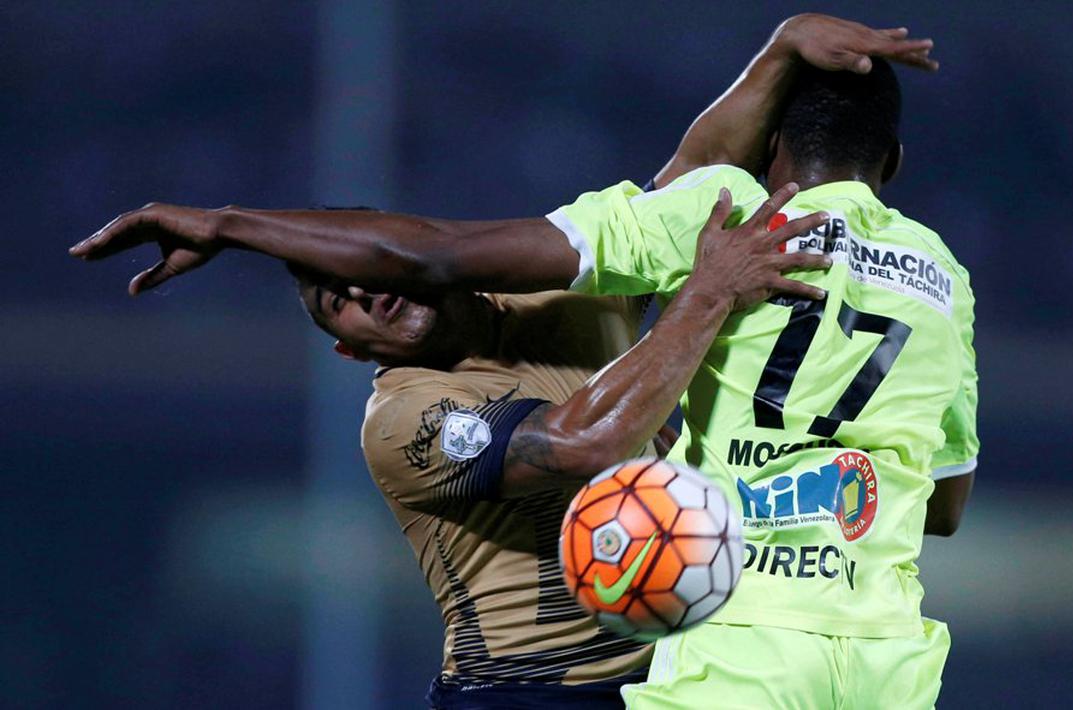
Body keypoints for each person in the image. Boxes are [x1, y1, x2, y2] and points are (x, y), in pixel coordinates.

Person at [72, 13, 942, 708]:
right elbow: (579, 445)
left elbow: (696, 176)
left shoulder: (558, 301)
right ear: (344, 347)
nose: (362, 296)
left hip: (666, 677)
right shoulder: (406, 420)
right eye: (331, 300)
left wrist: (778, 51)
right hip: (524, 694)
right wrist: (706, 296)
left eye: (358, 274)